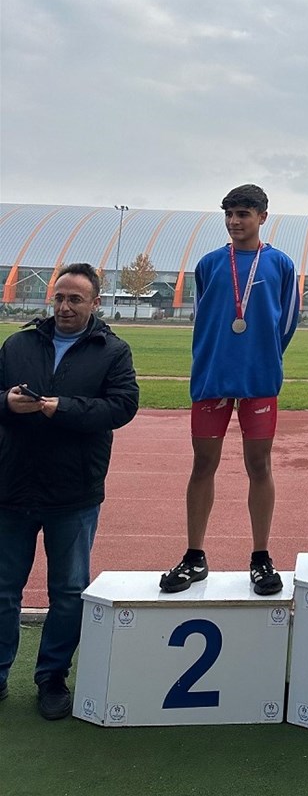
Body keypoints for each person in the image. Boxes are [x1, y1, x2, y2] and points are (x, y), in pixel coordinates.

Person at [0, 263, 139, 719]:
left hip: (73, 492)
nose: (64, 306)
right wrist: (7, 403)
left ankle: (52, 678)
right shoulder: (18, 344)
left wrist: (63, 408)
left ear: (95, 303)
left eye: (75, 299)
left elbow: (122, 406)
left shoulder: (112, 351)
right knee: (3, 590)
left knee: (68, 591)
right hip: (12, 486)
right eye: (59, 297)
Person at [160, 184, 299, 596]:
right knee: (203, 464)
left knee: (260, 465)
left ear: (262, 217)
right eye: (230, 214)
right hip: (212, 378)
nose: (235, 222)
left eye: (243, 214)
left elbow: (287, 322)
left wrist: (264, 356)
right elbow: (202, 317)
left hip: (259, 379)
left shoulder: (280, 264)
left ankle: (260, 557)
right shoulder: (209, 264)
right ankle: (194, 556)